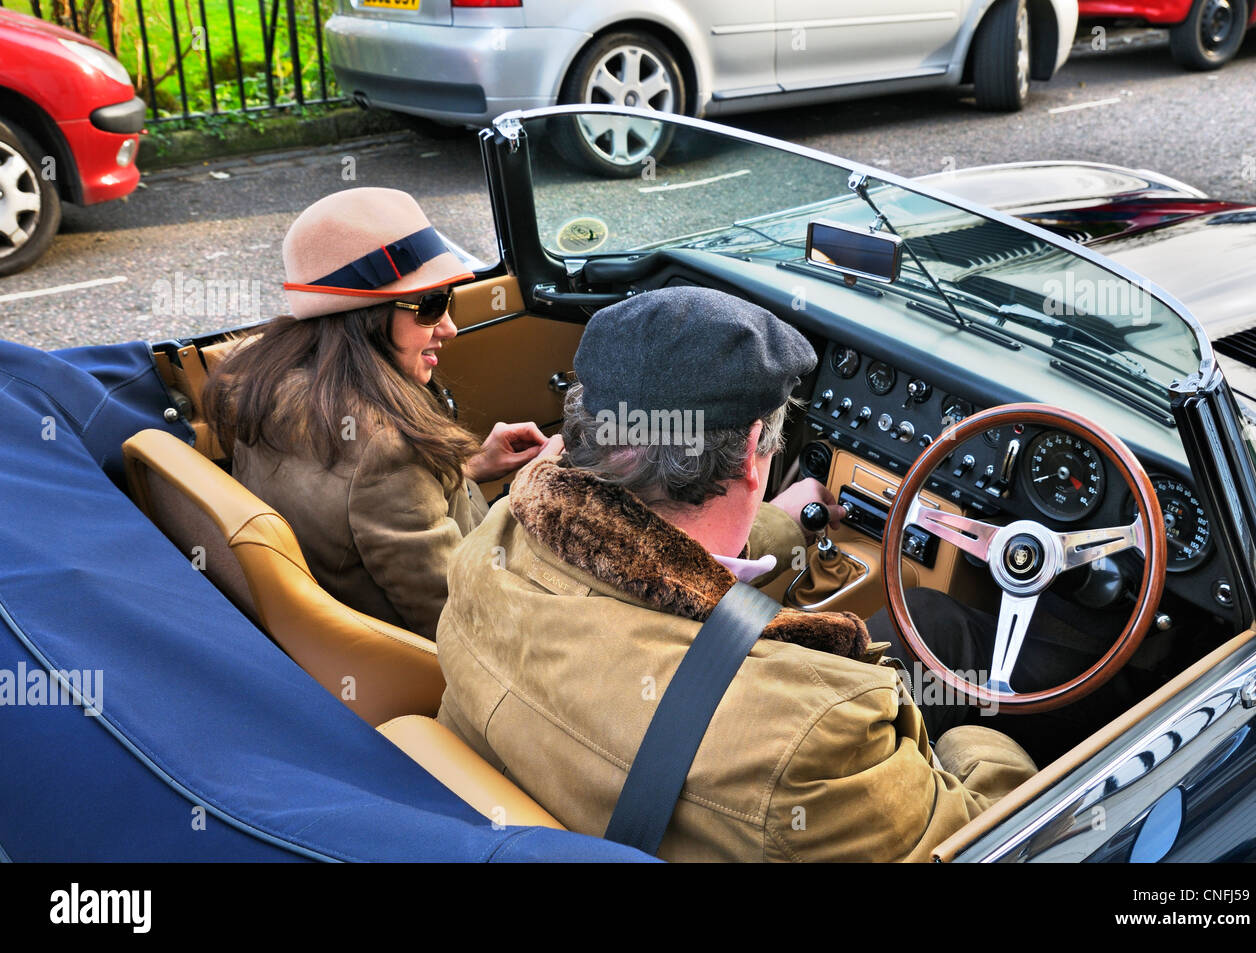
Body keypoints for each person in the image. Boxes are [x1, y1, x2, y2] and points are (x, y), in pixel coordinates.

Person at [434, 286, 1037, 862]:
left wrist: (783, 524)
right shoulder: (820, 736)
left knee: (935, 626)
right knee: (958, 655)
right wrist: (980, 745)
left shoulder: (495, 537)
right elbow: (997, 841)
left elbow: (656, 556)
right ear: (752, 453)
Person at [205, 187, 547, 639]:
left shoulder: (264, 380)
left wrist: (470, 467)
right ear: (361, 316)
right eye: (430, 305)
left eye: (449, 300)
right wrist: (534, 499)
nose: (450, 327)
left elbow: (357, 506)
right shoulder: (388, 449)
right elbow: (466, 621)